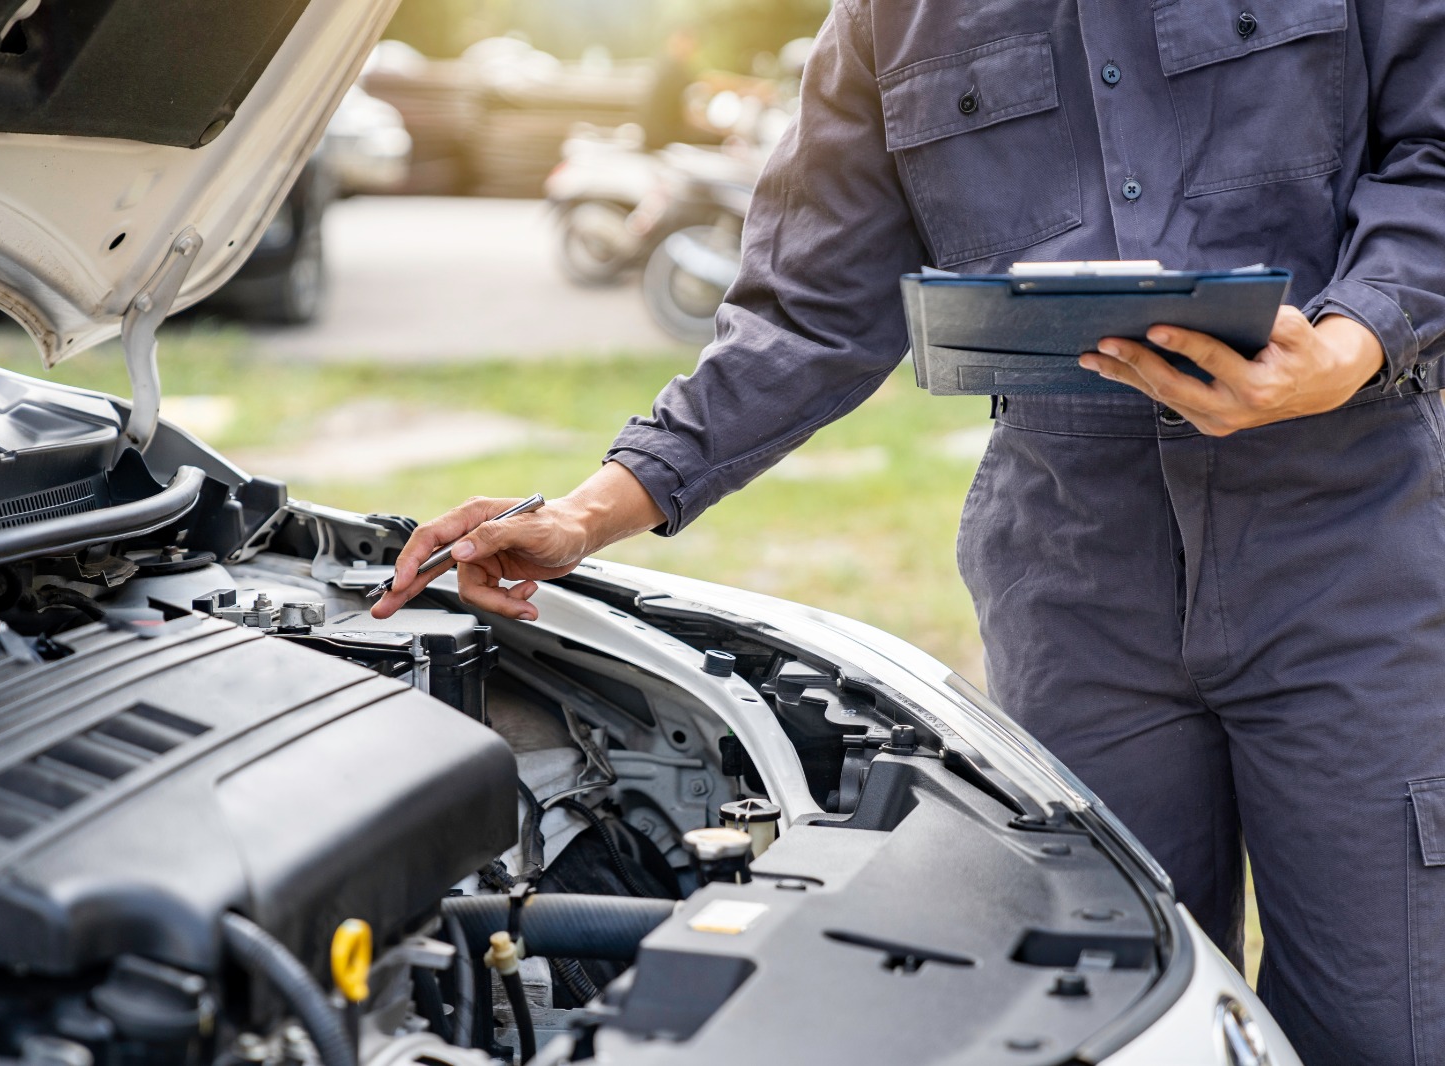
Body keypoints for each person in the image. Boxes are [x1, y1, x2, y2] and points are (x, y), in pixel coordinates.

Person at [372, 3, 1445, 1061]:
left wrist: (1351, 342)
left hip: (1345, 549)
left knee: (1382, 1021)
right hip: (1074, 588)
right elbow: (807, 315)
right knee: (1109, 1014)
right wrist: (582, 512)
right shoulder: (890, 17)